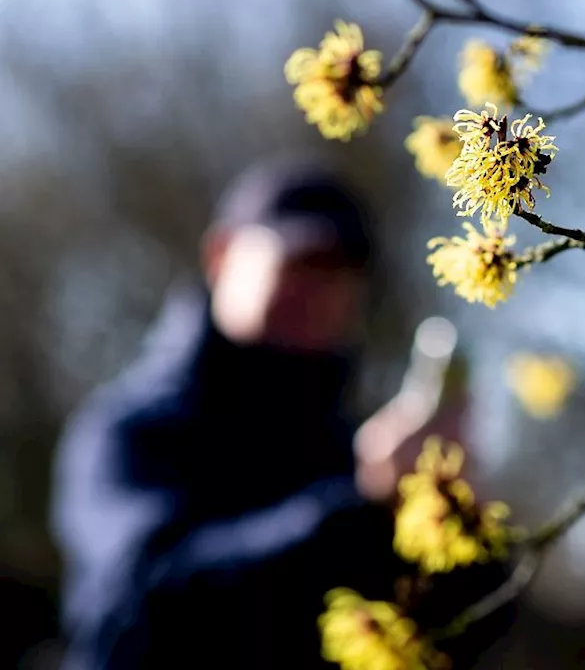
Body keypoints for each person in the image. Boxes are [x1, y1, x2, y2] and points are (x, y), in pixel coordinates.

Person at [49, 156, 503, 670]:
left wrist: (463, 522)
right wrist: (357, 499)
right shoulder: (130, 430)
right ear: (221, 256)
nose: (319, 291)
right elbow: (145, 601)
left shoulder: (343, 447)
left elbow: (455, 635)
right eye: (298, 262)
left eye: (340, 273)